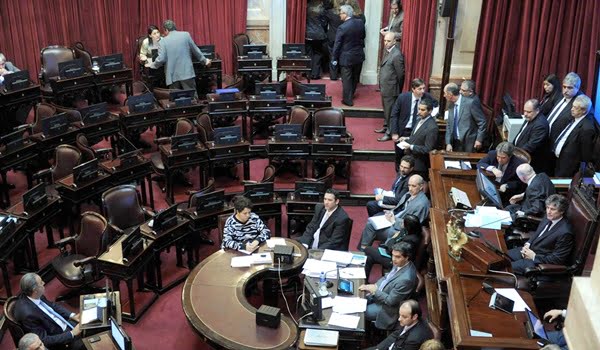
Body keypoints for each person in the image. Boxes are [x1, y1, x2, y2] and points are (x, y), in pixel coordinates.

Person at [359, 175, 430, 250]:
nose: (410, 189)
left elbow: (412, 228)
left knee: (370, 226)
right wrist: (390, 212)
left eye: (413, 186)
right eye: (409, 185)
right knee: (371, 221)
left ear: (421, 186)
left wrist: (393, 221)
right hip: (394, 217)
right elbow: (400, 207)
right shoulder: (409, 194)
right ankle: (364, 250)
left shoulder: (421, 205)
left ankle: (363, 251)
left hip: (399, 230)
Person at [13, 273, 83, 350]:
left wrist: (72, 315)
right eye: (41, 282)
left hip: (64, 323)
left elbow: (53, 306)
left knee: (92, 322)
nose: (44, 283)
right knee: (88, 343)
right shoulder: (28, 315)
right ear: (35, 290)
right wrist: (72, 334)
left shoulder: (35, 295)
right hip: (60, 338)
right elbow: (44, 340)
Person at [507, 194, 573, 275]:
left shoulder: (565, 232)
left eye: (553, 209)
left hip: (538, 262)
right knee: (501, 257)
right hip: (529, 250)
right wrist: (528, 243)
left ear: (562, 211)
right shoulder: (548, 216)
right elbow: (537, 233)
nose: (548, 211)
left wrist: (534, 256)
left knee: (506, 268)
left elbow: (557, 259)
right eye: (547, 207)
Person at [359, 243, 417, 330]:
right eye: (393, 255)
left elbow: (390, 301)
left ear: (407, 257)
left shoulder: (406, 280)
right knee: (358, 299)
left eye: (398, 257)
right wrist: (375, 285)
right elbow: (387, 277)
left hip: (387, 308)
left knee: (362, 311)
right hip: (381, 294)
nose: (393, 259)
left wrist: (375, 291)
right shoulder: (400, 263)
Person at [148, 19, 211, 92]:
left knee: (176, 99)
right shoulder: (186, 35)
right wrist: (205, 61)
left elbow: (161, 59)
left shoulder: (163, 41)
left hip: (172, 75)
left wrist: (153, 65)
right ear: (175, 27)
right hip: (186, 72)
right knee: (193, 98)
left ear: (166, 30)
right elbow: (195, 50)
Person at [389, 78, 438, 171]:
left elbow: (436, 106)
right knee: (400, 155)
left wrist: (432, 115)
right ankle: (399, 173)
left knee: (413, 157)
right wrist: (394, 132)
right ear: (413, 89)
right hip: (403, 130)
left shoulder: (427, 97)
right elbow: (394, 115)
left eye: (424, 88)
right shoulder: (403, 97)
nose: (422, 91)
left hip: (419, 130)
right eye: (420, 89)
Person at [364, 214, 422, 280]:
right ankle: (364, 280)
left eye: (403, 222)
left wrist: (393, 239)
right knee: (369, 258)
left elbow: (390, 247)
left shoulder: (410, 240)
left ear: (408, 226)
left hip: (395, 260)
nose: (401, 223)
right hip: (391, 251)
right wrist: (393, 240)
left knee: (367, 249)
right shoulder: (409, 231)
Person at [553, 94, 598, 177]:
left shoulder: (587, 128)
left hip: (570, 167)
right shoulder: (575, 118)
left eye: (576, 108)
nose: (572, 109)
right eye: (572, 106)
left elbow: (585, 154)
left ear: (584, 111)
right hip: (560, 160)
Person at [395, 98, 439, 179]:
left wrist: (411, 146)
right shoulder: (419, 120)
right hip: (410, 160)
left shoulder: (432, 127)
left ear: (430, 111)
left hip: (419, 165)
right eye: (419, 109)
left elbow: (428, 149)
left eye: (422, 110)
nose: (419, 112)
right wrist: (406, 138)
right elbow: (416, 137)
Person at [332, 4, 365, 106]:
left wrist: (334, 58)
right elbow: (363, 37)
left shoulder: (342, 27)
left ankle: (348, 100)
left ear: (345, 14)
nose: (339, 15)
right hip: (358, 55)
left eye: (341, 13)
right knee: (355, 78)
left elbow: (337, 44)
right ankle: (351, 94)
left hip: (346, 57)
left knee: (346, 79)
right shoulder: (360, 23)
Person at [364, 299, 433, 349]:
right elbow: (396, 334)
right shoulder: (411, 321)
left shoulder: (414, 339)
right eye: (400, 315)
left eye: (404, 316)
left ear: (414, 316)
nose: (399, 319)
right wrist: (378, 348)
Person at [376, 31, 405, 140]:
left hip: (391, 89)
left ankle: (390, 132)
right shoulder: (387, 51)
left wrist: (397, 88)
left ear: (394, 41)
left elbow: (400, 75)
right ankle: (385, 127)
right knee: (386, 110)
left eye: (388, 41)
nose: (386, 43)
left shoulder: (397, 55)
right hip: (385, 87)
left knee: (390, 112)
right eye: (385, 40)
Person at [443, 82, 487, 153]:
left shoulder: (470, 103)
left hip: (469, 142)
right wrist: (448, 143)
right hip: (455, 143)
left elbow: (482, 122)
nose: (444, 95)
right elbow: (449, 125)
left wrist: (479, 140)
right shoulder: (451, 105)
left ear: (450, 94)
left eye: (445, 93)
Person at [512, 99, 550, 173]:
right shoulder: (530, 117)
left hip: (529, 162)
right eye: (524, 111)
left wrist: (513, 154)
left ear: (537, 111)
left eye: (528, 112)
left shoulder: (540, 125)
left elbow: (531, 146)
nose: (525, 114)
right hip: (519, 155)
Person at [547, 72, 583, 145]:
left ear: (577, 88)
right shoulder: (560, 95)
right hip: (546, 138)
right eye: (564, 87)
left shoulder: (580, 103)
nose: (565, 90)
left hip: (557, 143)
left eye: (569, 88)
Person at [306, 0, 328, 80]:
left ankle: (309, 72)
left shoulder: (306, 7)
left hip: (308, 34)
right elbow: (324, 23)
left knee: (309, 53)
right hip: (319, 35)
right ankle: (315, 74)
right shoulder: (321, 9)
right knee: (318, 54)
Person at [324, 0, 343, 80]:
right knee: (342, 55)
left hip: (332, 36)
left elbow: (324, 23)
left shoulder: (329, 12)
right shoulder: (344, 13)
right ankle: (342, 73)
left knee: (332, 55)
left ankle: (333, 75)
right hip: (342, 36)